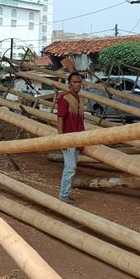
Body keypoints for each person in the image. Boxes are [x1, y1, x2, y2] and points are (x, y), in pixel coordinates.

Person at [57, 72, 85, 202]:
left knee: (71, 168)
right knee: (70, 168)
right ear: (69, 84)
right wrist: (61, 139)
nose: (77, 84)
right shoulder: (65, 98)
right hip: (68, 139)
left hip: (77, 138)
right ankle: (63, 196)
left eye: (79, 82)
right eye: (74, 82)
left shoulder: (80, 99)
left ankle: (66, 194)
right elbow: (60, 119)